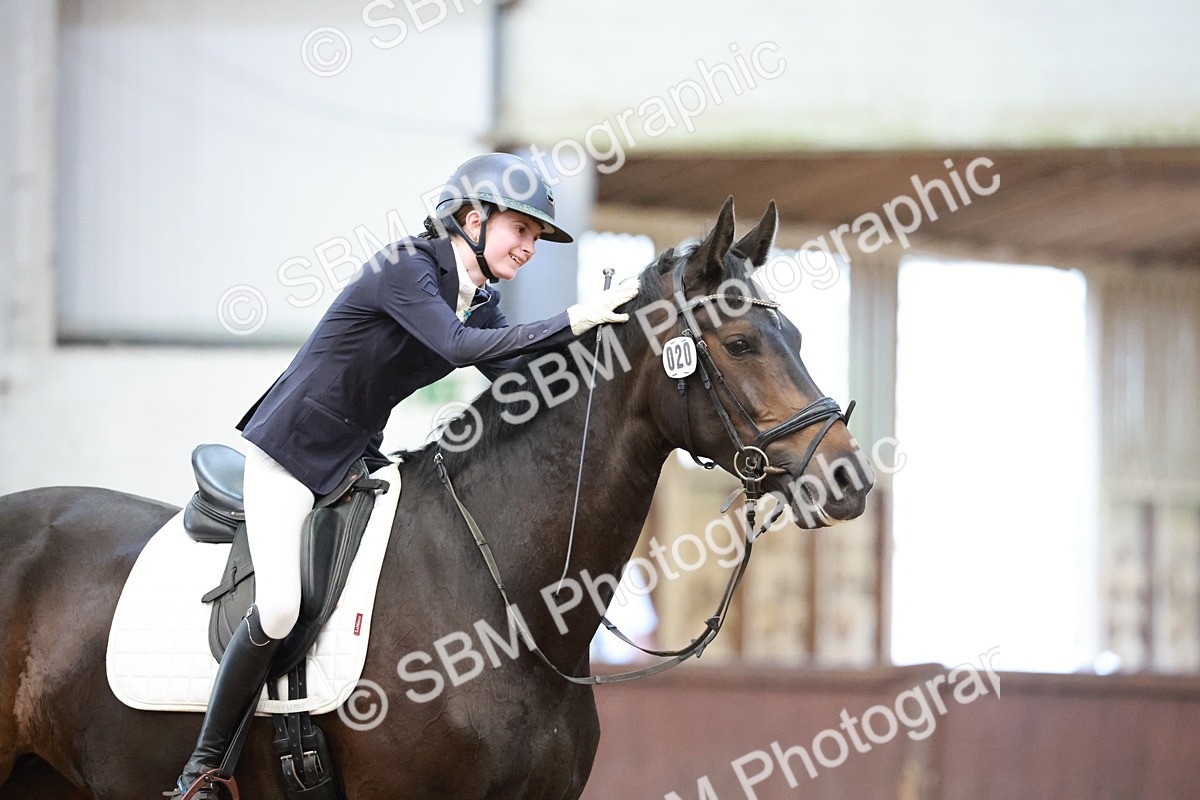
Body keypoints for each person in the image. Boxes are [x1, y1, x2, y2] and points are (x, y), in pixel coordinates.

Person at [166, 152, 639, 798]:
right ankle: (204, 769)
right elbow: (460, 348)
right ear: (472, 218)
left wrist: (611, 353)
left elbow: (518, 378)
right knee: (278, 606)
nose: (529, 246)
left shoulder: (478, 298)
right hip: (292, 456)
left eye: (536, 237)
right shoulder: (405, 270)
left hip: (355, 461)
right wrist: (575, 317)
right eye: (521, 230)